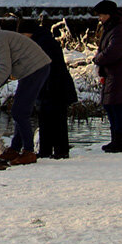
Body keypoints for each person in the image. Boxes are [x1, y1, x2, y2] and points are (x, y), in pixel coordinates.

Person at [0, 23, 51, 165]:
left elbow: (4, 70)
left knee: (20, 112)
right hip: (32, 69)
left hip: (34, 69)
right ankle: (15, 148)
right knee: (19, 110)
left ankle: (29, 152)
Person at [18, 18, 78, 159]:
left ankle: (59, 150)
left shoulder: (43, 43)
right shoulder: (42, 40)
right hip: (49, 87)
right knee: (47, 119)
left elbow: (47, 68)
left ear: (28, 32)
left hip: (54, 87)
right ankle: (49, 150)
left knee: (55, 120)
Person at [91, 0, 122, 153]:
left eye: (101, 15)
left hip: (120, 72)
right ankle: (116, 140)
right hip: (113, 71)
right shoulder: (113, 27)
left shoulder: (121, 29)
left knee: (115, 104)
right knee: (110, 104)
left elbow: (113, 52)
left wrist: (97, 59)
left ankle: (120, 141)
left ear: (109, 14)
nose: (99, 18)